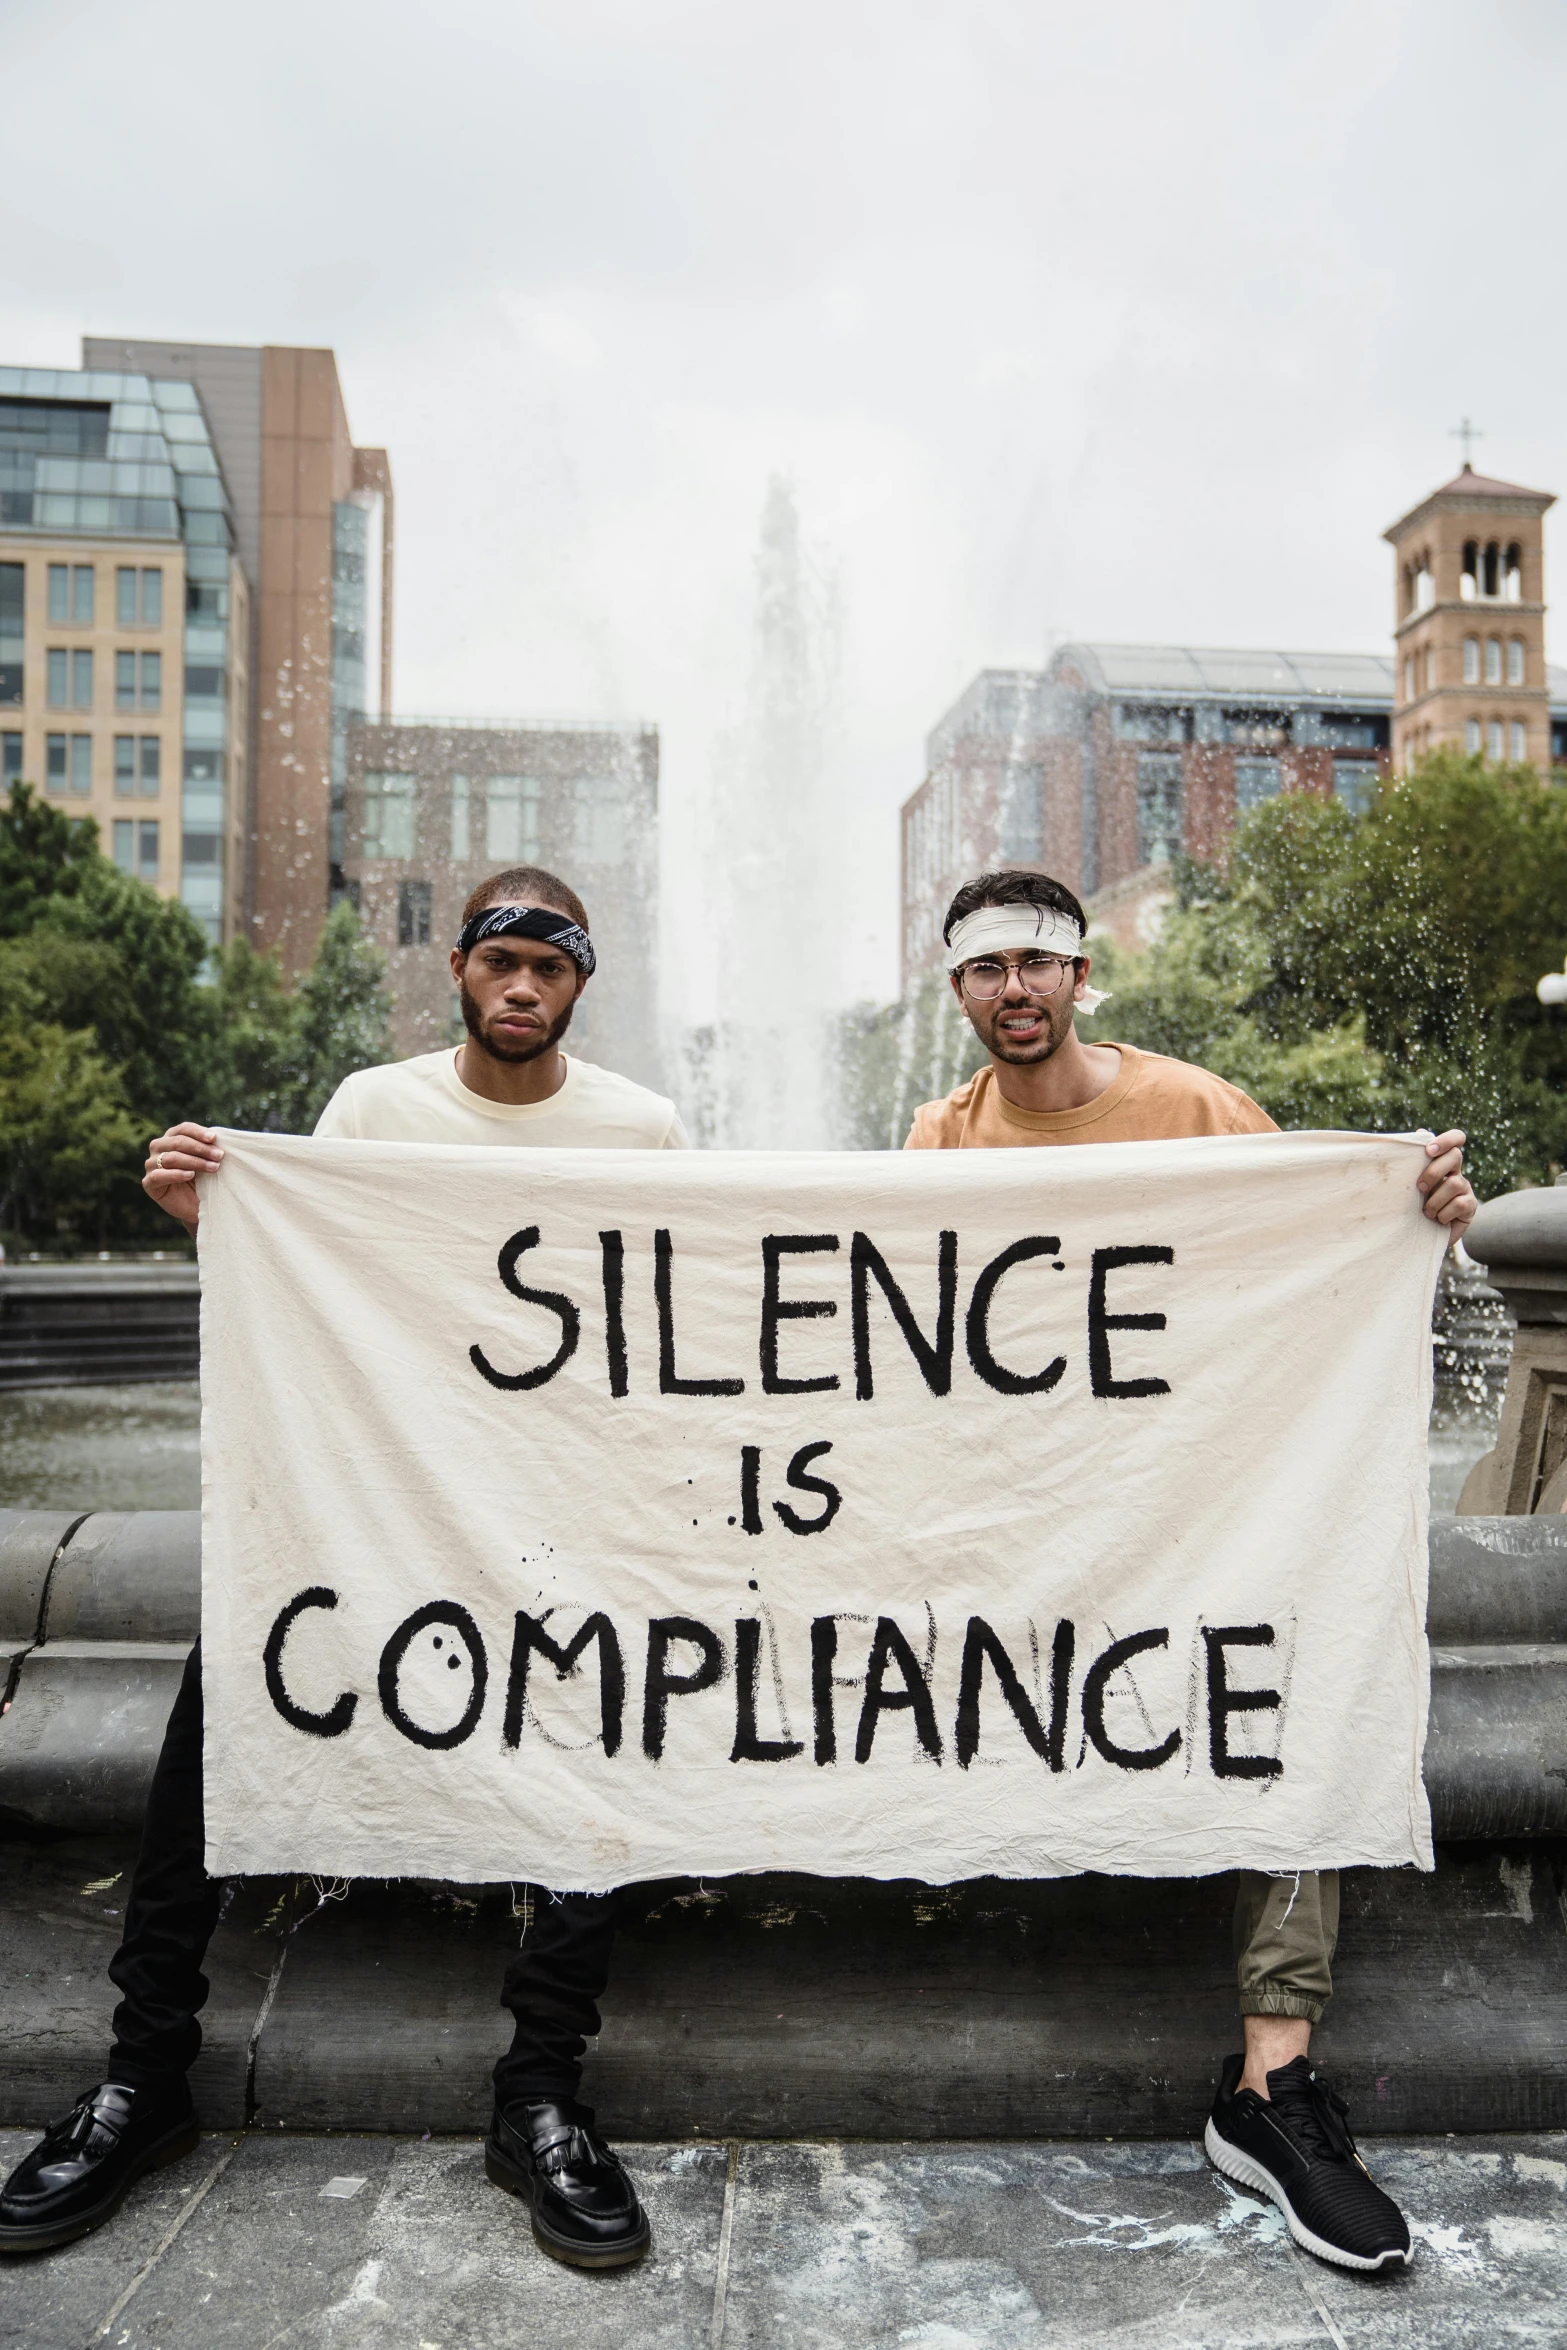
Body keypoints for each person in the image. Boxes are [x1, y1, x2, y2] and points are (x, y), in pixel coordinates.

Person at [0, 866, 678, 2270]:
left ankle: (538, 2087)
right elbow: (310, 1284)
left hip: (549, 1514)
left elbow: (671, 1316)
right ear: (457, 969)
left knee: (598, 1733)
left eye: (546, 970)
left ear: (579, 985)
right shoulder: (370, 1107)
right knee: (218, 1711)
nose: (519, 988)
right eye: (499, 962)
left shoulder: (643, 1125)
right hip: (371, 1503)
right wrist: (220, 1221)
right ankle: (143, 2075)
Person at [907, 865, 1476, 2278]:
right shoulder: (932, 1140)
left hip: (1194, 1508)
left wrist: (1415, 1201)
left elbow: (1315, 1262)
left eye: (1038, 961)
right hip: (1026, 1524)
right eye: (987, 969)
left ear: (1081, 975)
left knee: (1305, 1660)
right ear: (956, 990)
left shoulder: (1202, 1108)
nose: (1015, 990)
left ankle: (1269, 2081)